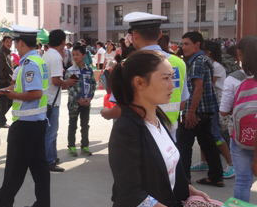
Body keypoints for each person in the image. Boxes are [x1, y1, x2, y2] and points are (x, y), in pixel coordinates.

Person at [105, 50, 223, 207]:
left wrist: (190, 190)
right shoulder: (126, 129)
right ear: (139, 82)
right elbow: (133, 197)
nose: (173, 85)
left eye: (173, 78)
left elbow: (168, 165)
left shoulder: (157, 117)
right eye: (166, 78)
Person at [0, 26, 51, 207]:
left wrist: (11, 95)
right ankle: (42, 205)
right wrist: (2, 91)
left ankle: (3, 204)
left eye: (15, 43)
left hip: (26, 124)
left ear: (21, 43)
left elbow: (35, 93)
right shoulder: (37, 61)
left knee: (15, 167)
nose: (14, 46)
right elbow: (19, 86)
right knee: (39, 167)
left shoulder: (30, 64)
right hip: (36, 123)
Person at [101, 12, 190, 140]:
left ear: (134, 35)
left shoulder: (127, 65)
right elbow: (182, 103)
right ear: (160, 34)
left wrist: (106, 113)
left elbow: (120, 109)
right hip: (170, 136)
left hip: (139, 135)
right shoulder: (179, 63)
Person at [178, 31, 224, 187]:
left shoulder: (197, 61)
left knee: (184, 145)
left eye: (186, 44)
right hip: (205, 109)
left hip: (196, 110)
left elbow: (198, 88)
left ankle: (184, 181)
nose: (183, 47)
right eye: (182, 44)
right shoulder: (203, 59)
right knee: (208, 144)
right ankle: (216, 176)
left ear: (197, 44)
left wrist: (190, 112)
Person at [223, 36, 257, 207]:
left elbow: (224, 110)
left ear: (241, 55)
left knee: (243, 182)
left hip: (242, 139)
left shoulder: (236, 80)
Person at [192, 40, 234, 179]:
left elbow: (207, 85)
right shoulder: (210, 64)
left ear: (208, 52)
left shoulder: (215, 66)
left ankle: (231, 164)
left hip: (216, 105)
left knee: (216, 135)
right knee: (204, 134)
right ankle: (204, 162)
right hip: (209, 104)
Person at [42, 29, 76, 172]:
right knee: (51, 132)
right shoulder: (56, 57)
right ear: (62, 41)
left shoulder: (46, 54)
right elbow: (56, 80)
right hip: (52, 100)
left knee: (49, 132)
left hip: (46, 98)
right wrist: (67, 83)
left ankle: (52, 157)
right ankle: (49, 161)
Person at [66, 44, 96, 157]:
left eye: (77, 54)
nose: (75, 57)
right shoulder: (71, 71)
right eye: (73, 54)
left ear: (83, 55)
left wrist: (89, 98)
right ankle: (72, 146)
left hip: (86, 103)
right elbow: (70, 88)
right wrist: (78, 99)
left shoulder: (88, 70)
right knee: (72, 124)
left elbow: (93, 84)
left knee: (85, 125)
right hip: (74, 103)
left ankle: (85, 146)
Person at [0, 35, 14, 128]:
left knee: (10, 102)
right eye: (7, 42)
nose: (9, 44)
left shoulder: (7, 53)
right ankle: (1, 121)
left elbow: (9, 68)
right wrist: (5, 81)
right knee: (4, 103)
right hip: (3, 82)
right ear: (3, 42)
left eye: (10, 42)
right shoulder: (1, 54)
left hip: (8, 81)